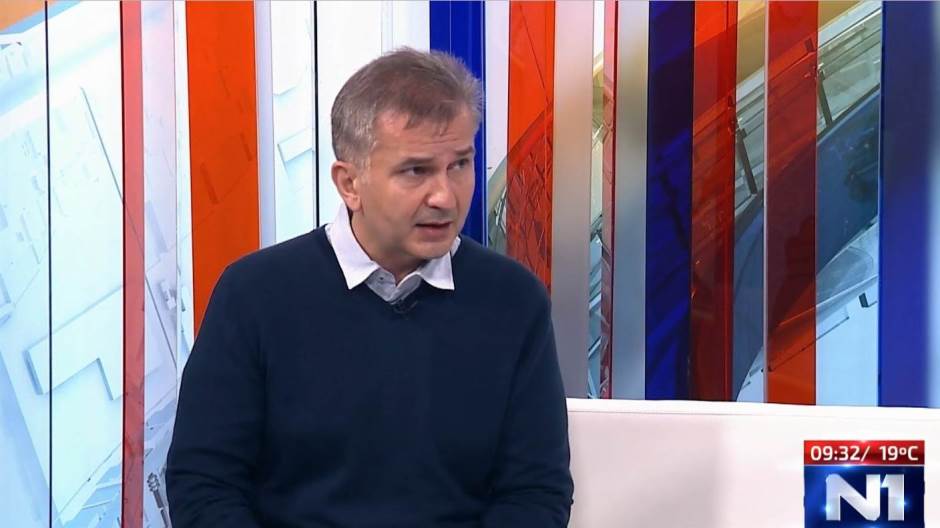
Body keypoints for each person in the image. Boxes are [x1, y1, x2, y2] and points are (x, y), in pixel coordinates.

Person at [166, 48, 573, 527]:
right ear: (349, 183)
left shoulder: (513, 300)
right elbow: (204, 484)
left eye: (460, 164)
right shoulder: (255, 295)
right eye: (416, 170)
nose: (445, 196)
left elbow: (536, 492)